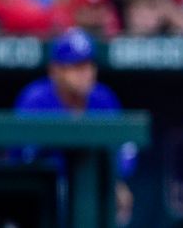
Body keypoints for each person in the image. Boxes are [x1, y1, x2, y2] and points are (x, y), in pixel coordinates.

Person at [15, 28, 136, 225]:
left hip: (94, 187)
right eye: (76, 67)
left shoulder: (103, 97)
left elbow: (125, 149)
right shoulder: (35, 100)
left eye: (89, 66)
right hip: (41, 190)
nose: (86, 74)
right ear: (55, 70)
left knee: (117, 198)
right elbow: (28, 156)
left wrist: (115, 181)